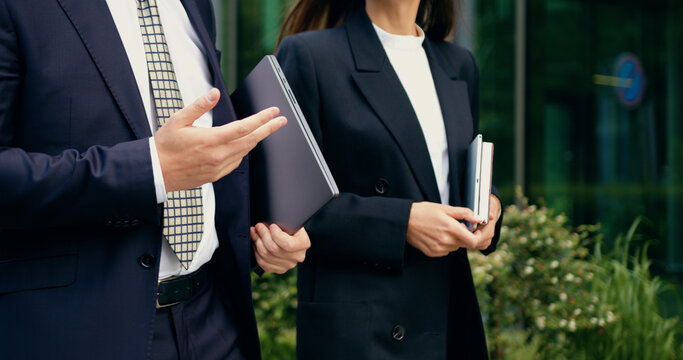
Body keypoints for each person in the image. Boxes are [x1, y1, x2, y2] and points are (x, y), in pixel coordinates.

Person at [0, 0, 309, 359]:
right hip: (81, 330)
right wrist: (148, 169)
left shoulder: (194, 6)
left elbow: (203, 151)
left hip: (214, 320)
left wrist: (263, 235)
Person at [276, 0, 503, 358]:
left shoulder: (459, 65)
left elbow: (445, 175)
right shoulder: (310, 56)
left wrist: (489, 203)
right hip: (364, 332)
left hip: (446, 321)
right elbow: (291, 208)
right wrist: (404, 223)